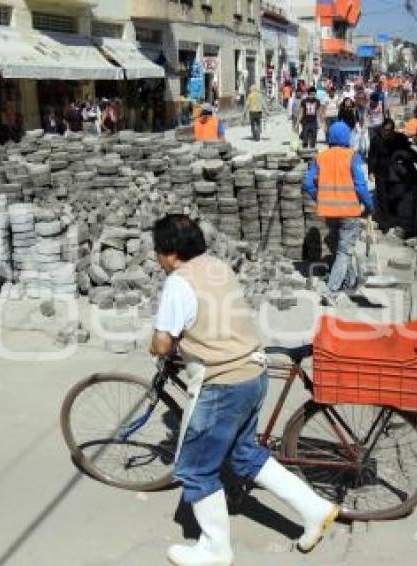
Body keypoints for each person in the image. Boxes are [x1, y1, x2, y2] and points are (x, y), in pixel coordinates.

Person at [149, 214, 340, 566]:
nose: (158, 260)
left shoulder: (178, 282)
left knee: (195, 470)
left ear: (171, 252)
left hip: (223, 382)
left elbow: (162, 344)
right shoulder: (217, 266)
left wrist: (159, 342)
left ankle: (215, 550)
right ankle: (316, 510)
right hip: (254, 371)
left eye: (158, 252)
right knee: (243, 455)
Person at [303, 122, 374, 304]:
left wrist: (320, 198)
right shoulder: (352, 157)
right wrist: (369, 205)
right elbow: (360, 184)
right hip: (349, 211)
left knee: (339, 247)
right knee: (344, 250)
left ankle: (349, 282)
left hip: (329, 212)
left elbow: (308, 183)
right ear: (347, 138)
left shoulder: (321, 157)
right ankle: (331, 291)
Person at [369, 118, 417, 228]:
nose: (386, 133)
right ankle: (384, 222)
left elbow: (408, 151)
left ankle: (392, 214)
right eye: (384, 130)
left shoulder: (400, 138)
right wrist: (371, 171)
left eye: (389, 130)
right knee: (382, 196)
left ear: (393, 131)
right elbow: (372, 156)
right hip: (381, 170)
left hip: (396, 172)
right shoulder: (376, 140)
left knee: (397, 193)